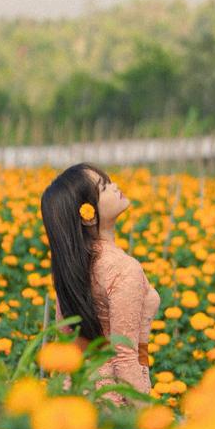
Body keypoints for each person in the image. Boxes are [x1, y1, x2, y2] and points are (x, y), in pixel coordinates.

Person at [40, 162, 160, 407]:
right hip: (111, 402)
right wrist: (148, 418)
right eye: (104, 187)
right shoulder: (124, 269)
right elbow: (125, 358)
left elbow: (68, 343)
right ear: (87, 215)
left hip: (73, 392)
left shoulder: (71, 267)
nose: (115, 186)